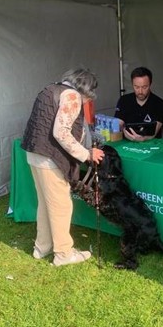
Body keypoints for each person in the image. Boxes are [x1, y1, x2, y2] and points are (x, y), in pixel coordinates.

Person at [21, 68, 105, 267]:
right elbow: (61, 133)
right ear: (87, 91)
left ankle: (42, 247)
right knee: (61, 206)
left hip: (34, 153)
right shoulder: (72, 96)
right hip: (50, 158)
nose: (86, 102)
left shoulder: (49, 89)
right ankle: (64, 253)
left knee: (45, 203)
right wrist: (87, 154)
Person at [114, 66, 163, 142]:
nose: (140, 91)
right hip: (126, 144)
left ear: (150, 85)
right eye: (136, 87)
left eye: (144, 87)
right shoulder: (124, 100)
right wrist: (122, 131)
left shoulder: (160, 104)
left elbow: (154, 133)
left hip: (151, 146)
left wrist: (143, 138)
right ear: (132, 84)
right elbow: (118, 124)